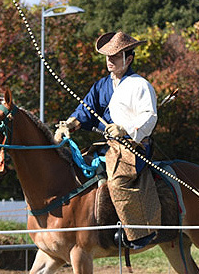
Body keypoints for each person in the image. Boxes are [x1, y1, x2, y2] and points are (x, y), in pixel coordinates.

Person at [55, 31, 161, 249]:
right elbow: (85, 110)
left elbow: (149, 117)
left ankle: (138, 233)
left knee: (118, 180)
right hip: (106, 146)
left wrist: (124, 129)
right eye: (107, 57)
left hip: (133, 146)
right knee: (73, 170)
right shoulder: (101, 85)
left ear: (128, 59)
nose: (109, 61)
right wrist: (69, 124)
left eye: (115, 57)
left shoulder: (140, 85)